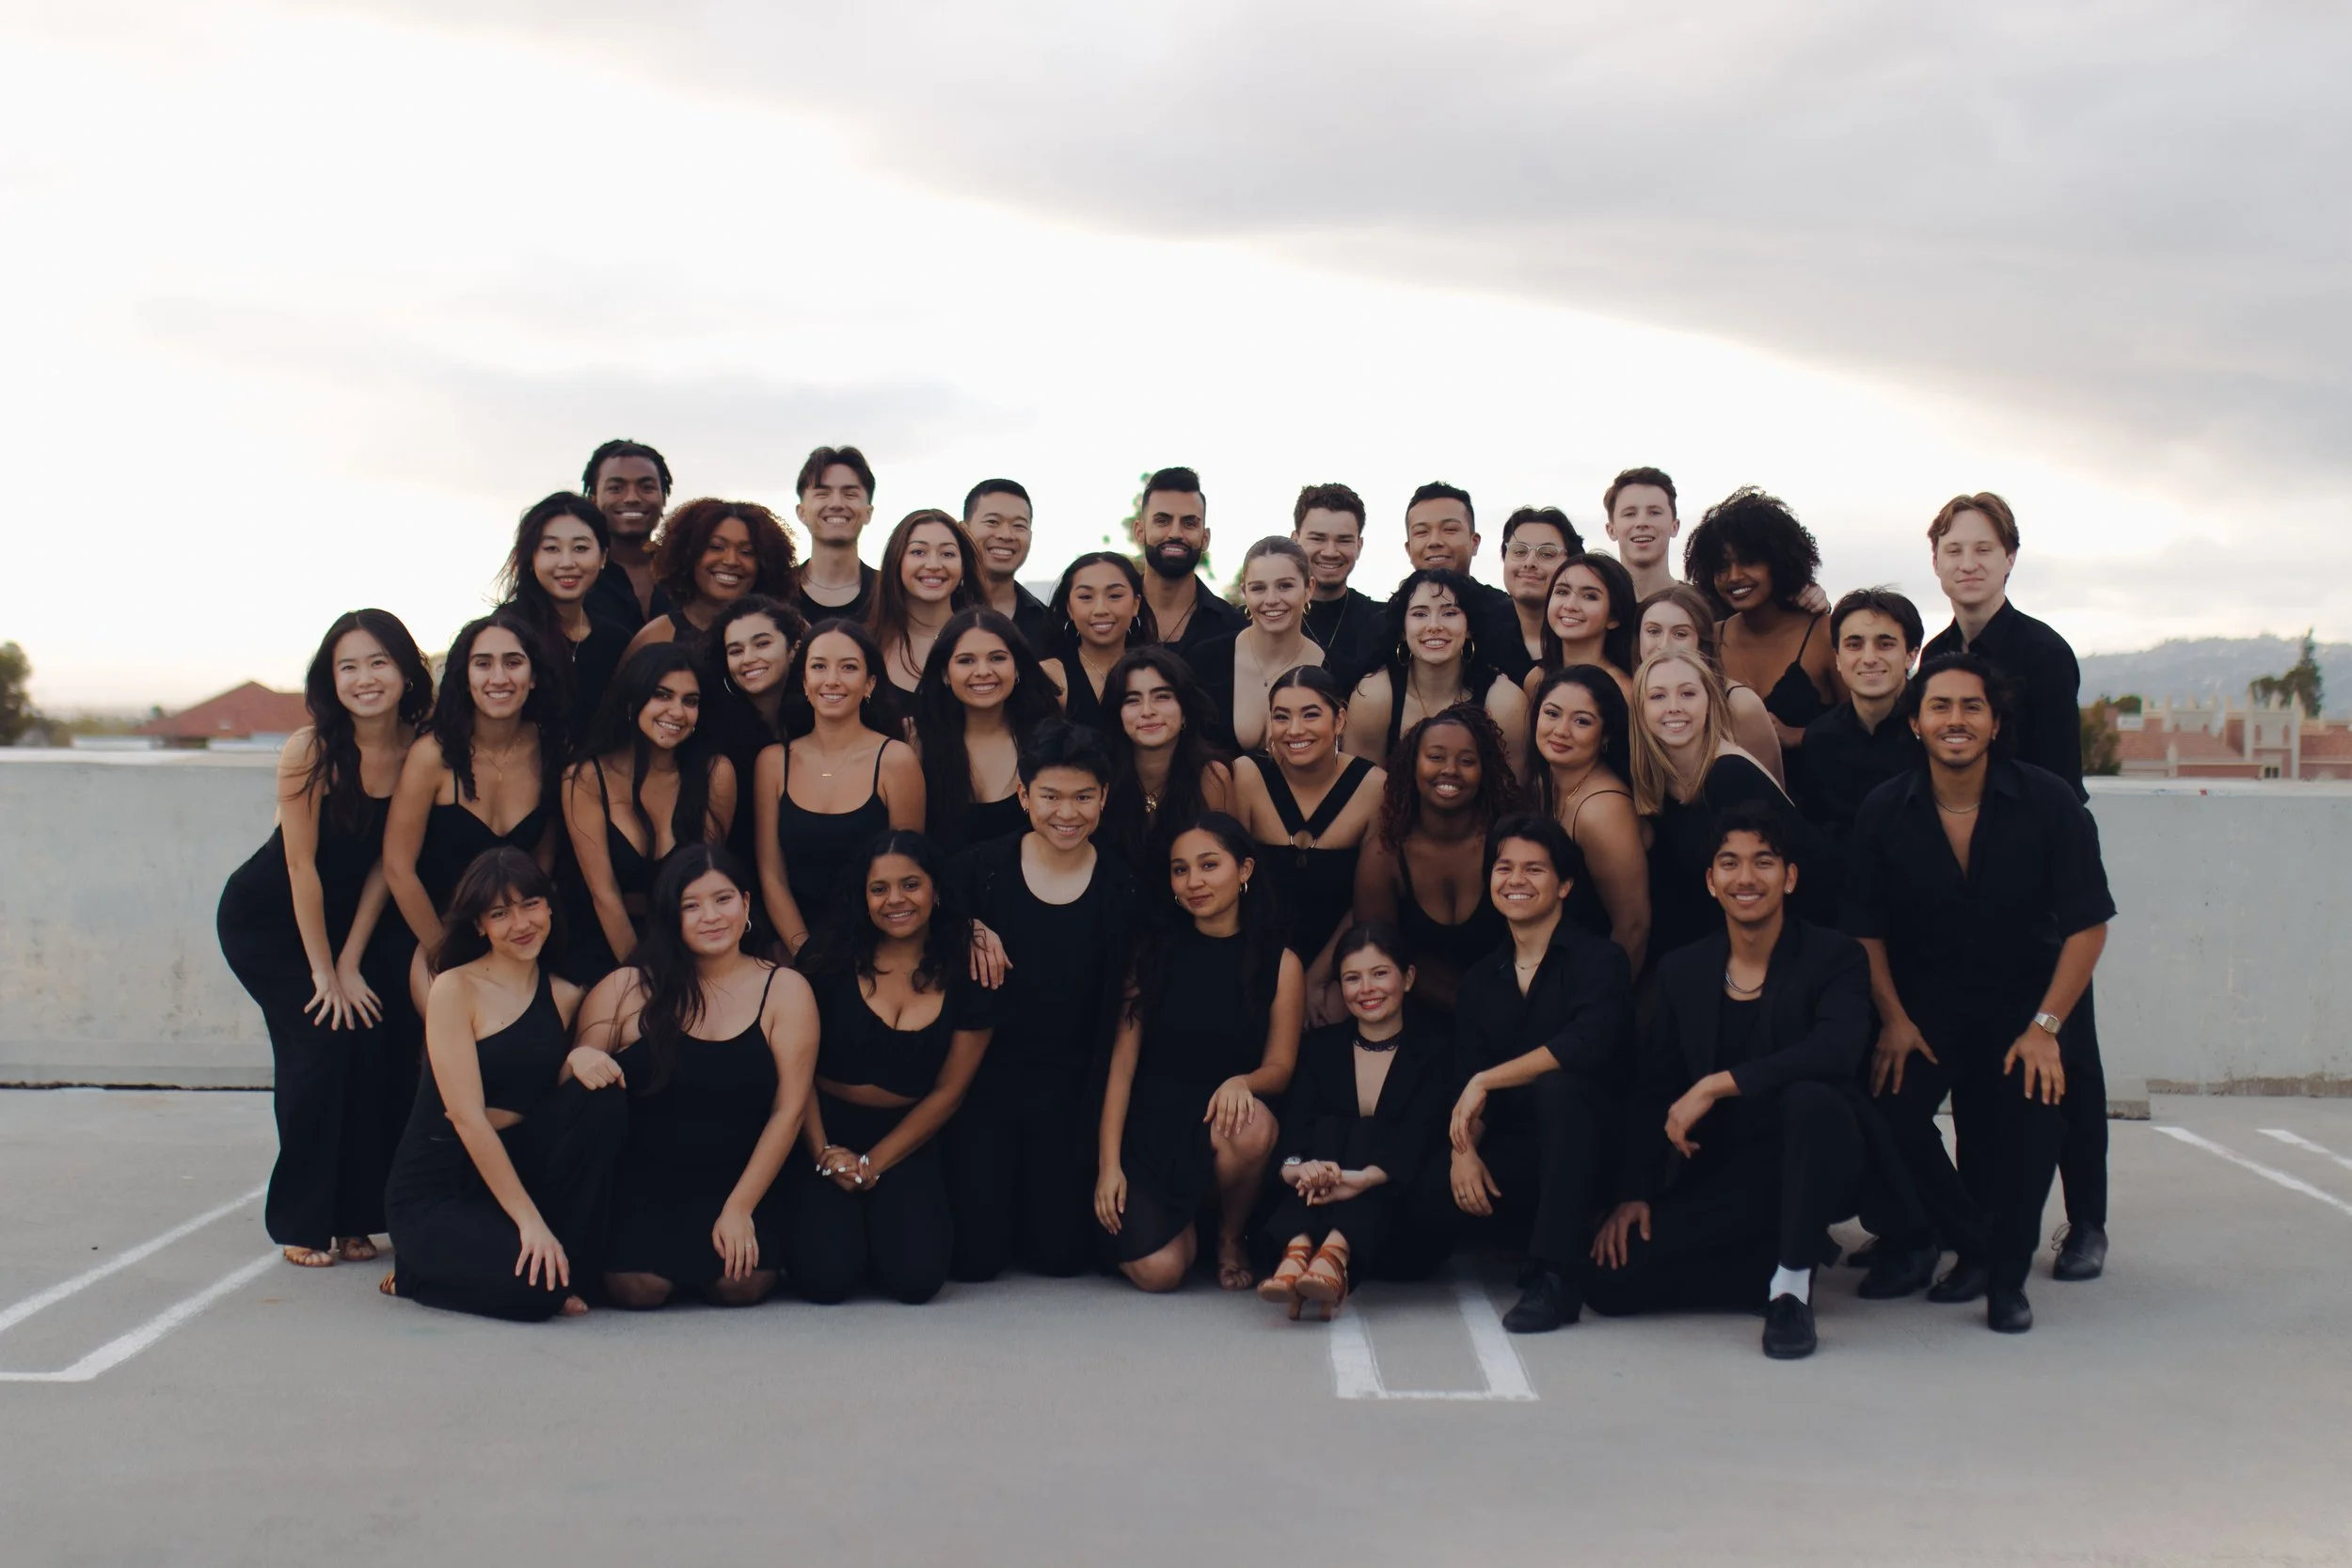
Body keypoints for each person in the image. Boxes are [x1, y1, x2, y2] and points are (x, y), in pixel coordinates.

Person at [1848, 654, 2113, 1333]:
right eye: (1940, 706)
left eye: (1972, 706)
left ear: (1996, 723)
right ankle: (1973, 1241)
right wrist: (1893, 1019)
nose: (1955, 719)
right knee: (1884, 1107)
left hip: (2027, 1003)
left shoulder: (2049, 801)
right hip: (1927, 1005)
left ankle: (2005, 1281)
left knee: (2035, 1114)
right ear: (1915, 722)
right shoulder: (1884, 810)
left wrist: (2046, 1029)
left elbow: (2087, 925)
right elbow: (1866, 930)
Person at [1587, 805, 1887, 1360]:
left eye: (1763, 862)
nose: (1745, 877)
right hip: (1730, 1173)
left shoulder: (1834, 956)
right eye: (1730, 863)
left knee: (1810, 1098)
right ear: (1711, 880)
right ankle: (1766, 1264)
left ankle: (1791, 1291)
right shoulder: (1683, 970)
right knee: (1609, 1283)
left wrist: (1716, 1085)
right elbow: (1655, 1087)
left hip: (1819, 1160)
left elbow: (1837, 1050)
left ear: (1789, 877)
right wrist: (1635, 1192)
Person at [1916, 494, 2106, 1280]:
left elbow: (2062, 783)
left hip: (2043, 886)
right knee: (1981, 1072)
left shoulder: (2043, 651)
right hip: (1966, 893)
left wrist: (2050, 900)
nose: (1968, 563)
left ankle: (2087, 1222)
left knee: (2070, 1057)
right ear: (1936, 561)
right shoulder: (1935, 653)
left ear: (2009, 558)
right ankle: (1984, 1222)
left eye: (1983, 549)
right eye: (1953, 550)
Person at [217, 610, 432, 1269]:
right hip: (270, 920)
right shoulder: (309, 749)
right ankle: (302, 1221)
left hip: (349, 923)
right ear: (330, 679)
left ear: (405, 670)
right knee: (320, 1045)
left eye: (378, 662)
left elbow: (388, 865)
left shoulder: (420, 747)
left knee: (372, 1047)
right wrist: (323, 972)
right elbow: (299, 867)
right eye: (348, 666)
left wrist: (351, 959)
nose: (365, 678)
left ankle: (355, 1218)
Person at [380, 849, 627, 1321]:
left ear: (549, 906)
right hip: (440, 1186)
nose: (521, 923)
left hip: (518, 1167)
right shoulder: (455, 989)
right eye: (500, 913)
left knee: (602, 1096)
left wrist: (578, 1055)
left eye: (530, 904)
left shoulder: (567, 995)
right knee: (535, 1296)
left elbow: (541, 1087)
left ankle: (568, 1264)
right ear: (479, 926)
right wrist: (530, 1222)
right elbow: (466, 1118)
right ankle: (415, 1275)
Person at [570, 846, 818, 1309]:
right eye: (691, 905)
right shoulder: (627, 987)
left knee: (740, 1286)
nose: (711, 916)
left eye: (723, 899)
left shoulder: (785, 989)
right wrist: (578, 1058)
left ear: (746, 902)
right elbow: (572, 1093)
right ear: (671, 915)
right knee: (637, 1289)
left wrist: (740, 1208)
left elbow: (789, 1111)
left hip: (738, 1177)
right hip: (644, 1181)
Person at [945, 721, 1139, 1280]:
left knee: (1060, 1258)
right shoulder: (978, 870)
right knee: (976, 1261)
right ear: (1024, 795)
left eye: (1083, 797)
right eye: (1050, 796)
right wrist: (963, 927)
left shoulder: (1123, 887)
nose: (1067, 813)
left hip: (1070, 1095)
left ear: (1104, 797)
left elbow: (1126, 1017)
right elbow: (921, 918)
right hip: (984, 1088)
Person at [1439, 814, 1634, 1333]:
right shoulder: (1482, 979)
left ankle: (1555, 1276)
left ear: (1565, 885)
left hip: (1594, 1155)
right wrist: (1463, 1153)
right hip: (1520, 1155)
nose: (1515, 880)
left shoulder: (1601, 960)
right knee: (1423, 1204)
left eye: (1534, 869)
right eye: (1504, 868)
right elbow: (1466, 1080)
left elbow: (1585, 1044)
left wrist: (1486, 1080)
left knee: (1558, 1088)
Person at [1097, 815, 1304, 1291]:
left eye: (1209, 865)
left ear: (1244, 869)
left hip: (1220, 1123)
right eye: (1181, 869)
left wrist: (1242, 1082)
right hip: (1151, 1132)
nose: (1194, 882)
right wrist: (1109, 1166)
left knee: (1252, 1124)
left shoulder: (1280, 962)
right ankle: (1186, 1225)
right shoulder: (1150, 954)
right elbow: (1121, 1068)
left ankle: (1230, 1236)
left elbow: (1280, 1067)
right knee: (1160, 1272)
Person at [789, 832, 995, 1305]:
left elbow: (949, 1092)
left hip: (909, 1133)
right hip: (822, 1127)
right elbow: (796, 1072)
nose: (895, 900)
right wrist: (823, 1153)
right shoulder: (826, 958)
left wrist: (871, 1164)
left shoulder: (969, 968)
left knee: (917, 1281)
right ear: (862, 897)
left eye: (911, 885)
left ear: (935, 891)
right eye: (879, 889)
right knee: (825, 1281)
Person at [1255, 923, 1451, 1319]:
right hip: (1315, 1206)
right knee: (1328, 1131)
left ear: (1408, 978)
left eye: (1380, 974)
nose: (1367, 989)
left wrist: (1362, 1178)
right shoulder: (1320, 1050)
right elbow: (1294, 1134)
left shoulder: (1438, 1050)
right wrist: (1299, 1169)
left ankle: (1331, 1251)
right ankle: (1303, 1250)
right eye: (1352, 978)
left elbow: (1420, 1138)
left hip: (1401, 1229)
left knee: (1364, 1131)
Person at [382, 611, 564, 1010]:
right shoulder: (432, 756)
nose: (499, 677)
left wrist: (518, 941)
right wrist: (445, 954)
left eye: (513, 662)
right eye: (483, 664)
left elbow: (542, 862)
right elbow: (398, 867)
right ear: (465, 678)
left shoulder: (549, 750)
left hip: (516, 935)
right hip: (434, 932)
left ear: (533, 676)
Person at [557, 645, 734, 985]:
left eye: (690, 701)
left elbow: (708, 886)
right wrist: (645, 980)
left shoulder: (715, 774)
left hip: (691, 944)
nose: (677, 712)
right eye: (661, 695)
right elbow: (604, 895)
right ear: (631, 700)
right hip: (605, 946)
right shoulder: (586, 778)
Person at [1630, 649, 1820, 960]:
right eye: (1658, 696)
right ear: (1640, 709)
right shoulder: (1660, 777)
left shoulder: (1729, 775)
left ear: (1710, 702)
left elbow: (1791, 882)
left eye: (1688, 694)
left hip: (1782, 947)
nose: (1674, 707)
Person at [753, 621, 924, 956]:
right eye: (819, 667)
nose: (832, 680)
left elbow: (907, 874)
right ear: (804, 681)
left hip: (877, 947)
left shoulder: (896, 760)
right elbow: (772, 875)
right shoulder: (773, 762)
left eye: (848, 667)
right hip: (798, 950)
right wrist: (805, 953)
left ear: (870, 683)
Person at [1229, 667, 1384, 1020]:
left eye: (1311, 714)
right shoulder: (1246, 776)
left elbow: (1366, 904)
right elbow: (1231, 886)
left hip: (1336, 961)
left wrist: (1316, 979)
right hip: (1255, 952)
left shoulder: (1374, 786)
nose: (1294, 730)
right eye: (1281, 717)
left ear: (1339, 720)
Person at [1352, 706, 1521, 1018]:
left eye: (1467, 761)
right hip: (1417, 1016)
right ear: (1412, 765)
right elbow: (1378, 957)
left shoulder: (1509, 844)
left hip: (1512, 1009)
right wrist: (1468, 1009)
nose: (1450, 770)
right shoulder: (1385, 856)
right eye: (1436, 757)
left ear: (1484, 771)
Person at [1796, 588, 1926, 911]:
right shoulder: (1820, 738)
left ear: (1911, 655)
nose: (1868, 658)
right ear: (1838, 658)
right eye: (1854, 644)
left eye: (1885, 644)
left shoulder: (1934, 731)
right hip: (1846, 905)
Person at [1683, 487, 1838, 752]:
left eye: (1748, 561)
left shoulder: (1824, 633)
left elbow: (1863, 726)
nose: (1734, 576)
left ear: (1779, 561)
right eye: (1722, 566)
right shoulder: (1710, 640)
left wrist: (1800, 735)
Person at [1345, 568, 1531, 780]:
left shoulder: (1504, 701)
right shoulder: (1373, 695)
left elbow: (1515, 792)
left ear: (1470, 627)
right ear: (1403, 630)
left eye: (1449, 613)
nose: (1434, 626)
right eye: (1419, 614)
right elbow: (1360, 790)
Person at [1529, 666, 1651, 974]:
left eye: (1582, 721)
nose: (1561, 730)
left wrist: (1603, 998)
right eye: (1552, 713)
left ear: (1605, 734)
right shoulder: (1545, 783)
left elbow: (1633, 927)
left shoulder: (1603, 810)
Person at [914, 608, 1061, 853]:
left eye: (997, 658)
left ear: (1017, 668)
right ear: (945, 673)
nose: (983, 671)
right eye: (966, 661)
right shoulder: (917, 741)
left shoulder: (1052, 739)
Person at [698, 594, 809, 911]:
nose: (748, 659)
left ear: (793, 649)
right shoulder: (715, 735)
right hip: (741, 897)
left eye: (762, 644)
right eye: (736, 650)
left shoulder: (820, 719)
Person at [499, 491, 633, 737]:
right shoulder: (502, 633)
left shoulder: (617, 640)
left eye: (580, 548)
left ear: (603, 557)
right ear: (531, 558)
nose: (567, 562)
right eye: (551, 548)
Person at [1097, 647, 1235, 877]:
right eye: (1132, 700)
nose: (1147, 711)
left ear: (1185, 710)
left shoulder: (1211, 776)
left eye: (1162, 697)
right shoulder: (1100, 775)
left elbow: (1223, 870)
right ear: (1118, 715)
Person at [1184, 536, 1327, 753]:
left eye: (1285, 586)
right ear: (1245, 592)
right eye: (1258, 588)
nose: (1271, 599)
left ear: (1309, 589)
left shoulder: (1334, 671)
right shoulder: (1204, 661)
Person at [1635, 584, 1785, 786]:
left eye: (1680, 634)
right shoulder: (1632, 694)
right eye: (1653, 631)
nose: (1664, 645)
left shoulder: (1740, 704)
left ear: (1701, 642)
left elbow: (1771, 793)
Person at [620, 499, 799, 662]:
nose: (731, 561)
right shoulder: (656, 638)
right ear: (687, 554)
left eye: (746, 552)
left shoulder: (792, 631)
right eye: (716, 547)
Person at [1392, 481, 1533, 682]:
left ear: (1474, 543)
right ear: (1408, 548)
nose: (1435, 542)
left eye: (1449, 529)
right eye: (1422, 532)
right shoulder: (1389, 620)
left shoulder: (1509, 615)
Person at [1129, 466, 1247, 664]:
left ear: (1205, 538)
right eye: (1162, 521)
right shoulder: (1113, 618)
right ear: (1140, 532)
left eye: (1189, 523)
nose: (1175, 533)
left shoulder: (1235, 629)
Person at [1040, 550, 1157, 736]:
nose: (1100, 609)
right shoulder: (1049, 676)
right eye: (1086, 597)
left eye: (1115, 596)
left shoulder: (1160, 672)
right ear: (1069, 608)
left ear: (1136, 604)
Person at [868, 508, 982, 693]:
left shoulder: (987, 639)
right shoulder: (865, 644)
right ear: (896, 561)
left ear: (963, 566)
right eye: (918, 552)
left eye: (947, 554)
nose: (934, 565)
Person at [1292, 482, 1388, 689]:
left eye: (1343, 540)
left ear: (1359, 546)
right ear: (1295, 541)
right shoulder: (1262, 620)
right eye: (1318, 539)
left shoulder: (1385, 622)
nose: (1330, 552)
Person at [580, 438, 674, 633]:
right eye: (616, 488)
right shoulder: (574, 573)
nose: (632, 498)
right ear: (593, 499)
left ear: (663, 498)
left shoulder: (685, 572)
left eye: (646, 487)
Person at [1528, 552, 1638, 703]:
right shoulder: (1536, 679)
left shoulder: (1623, 690)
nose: (1570, 606)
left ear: (1614, 617)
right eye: (1562, 592)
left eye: (1589, 596)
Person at [962, 478, 1056, 654]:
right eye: (992, 522)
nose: (1006, 535)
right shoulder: (933, 610)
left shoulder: (1048, 624)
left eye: (1019, 525)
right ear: (964, 530)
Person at [792, 445, 882, 626]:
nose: (836, 504)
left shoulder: (890, 593)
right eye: (822, 493)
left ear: (868, 512)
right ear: (802, 512)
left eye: (850, 494)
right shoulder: (774, 592)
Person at [1497, 505, 1581, 667]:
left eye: (1547, 554)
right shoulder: (1485, 625)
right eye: (1519, 551)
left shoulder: (1590, 639)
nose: (1529, 563)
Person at [1601, 466, 1681, 603]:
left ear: (1674, 527)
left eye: (1654, 513)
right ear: (1611, 530)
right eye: (1630, 514)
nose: (1642, 522)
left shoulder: (1701, 606)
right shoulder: (1595, 607)